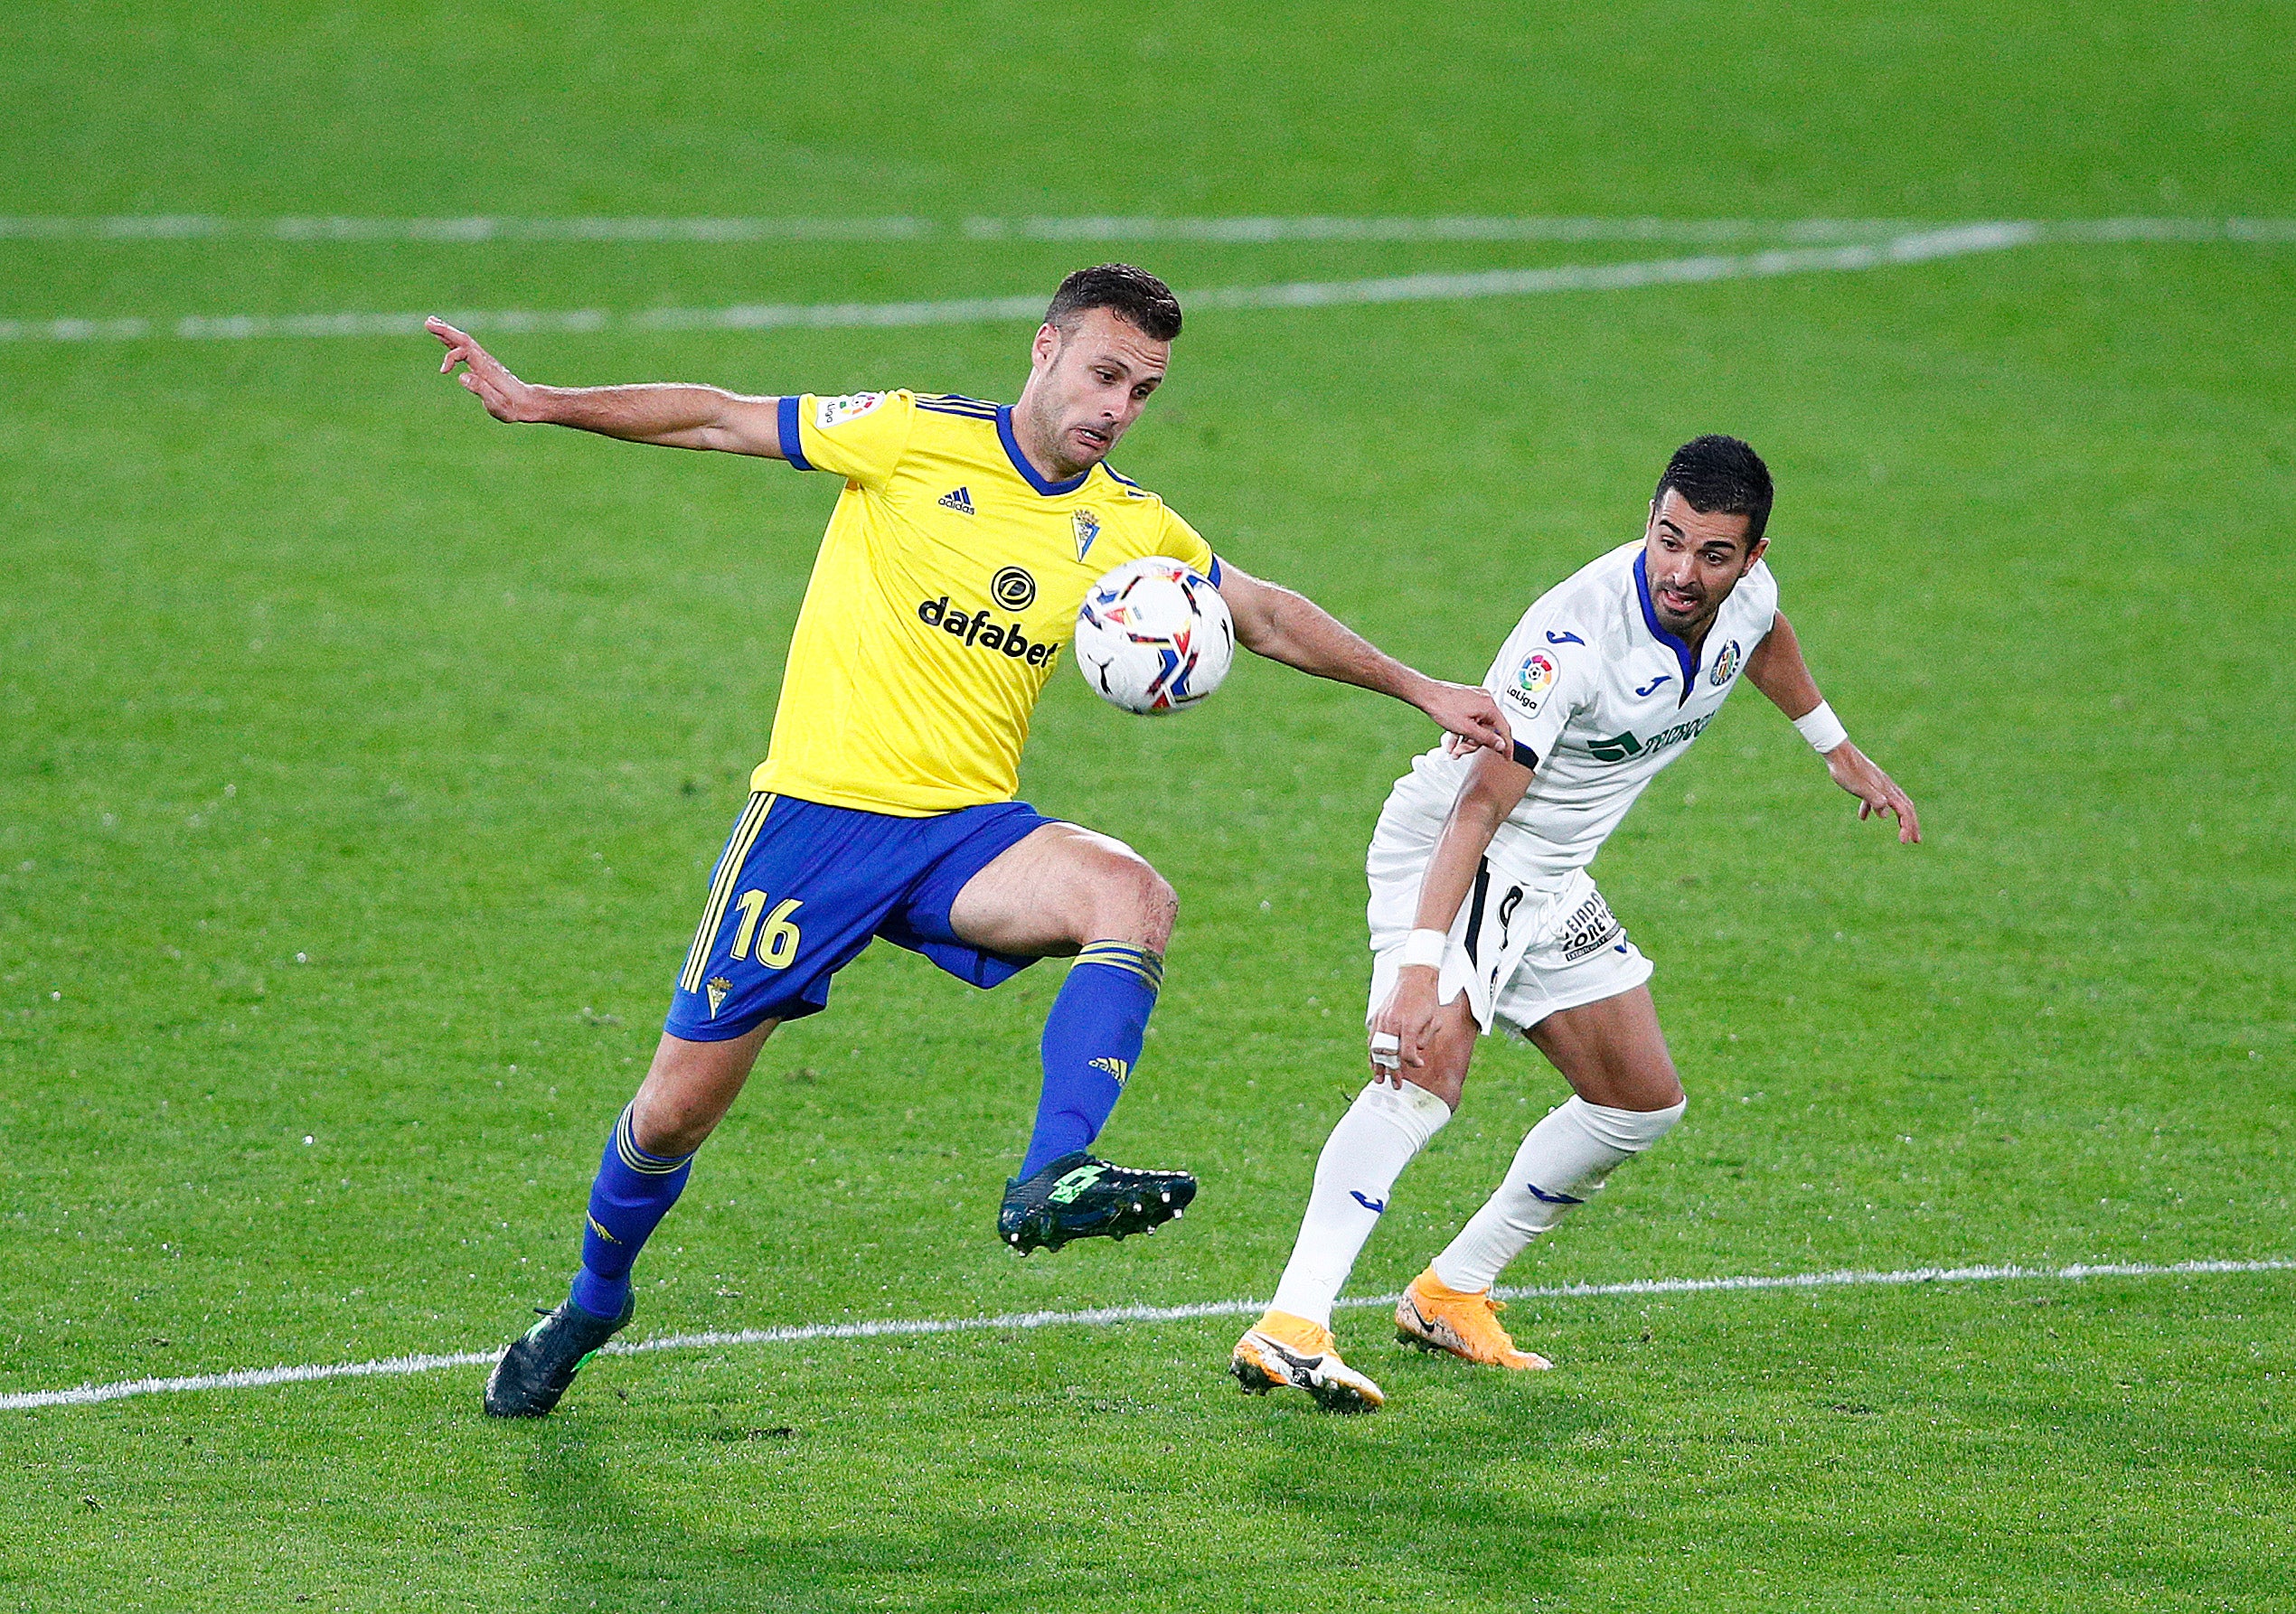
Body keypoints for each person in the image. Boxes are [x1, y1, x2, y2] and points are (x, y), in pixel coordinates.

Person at [426, 264, 1513, 1418]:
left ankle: (1055, 1167)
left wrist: (1416, 687)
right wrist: (542, 400)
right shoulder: (907, 437)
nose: (1117, 405)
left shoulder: (1129, 527)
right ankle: (592, 1303)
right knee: (673, 1113)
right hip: (813, 825)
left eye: (1142, 389)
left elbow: (1258, 610)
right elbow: (718, 414)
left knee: (1133, 898)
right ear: (1043, 350)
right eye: (1103, 373)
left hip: (962, 836)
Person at [1229, 435, 1920, 1412]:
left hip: (1550, 874)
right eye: (1666, 539)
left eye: (1711, 554)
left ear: (1750, 558)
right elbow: (1475, 807)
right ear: (1647, 518)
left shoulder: (1747, 600)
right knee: (1421, 1070)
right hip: (1463, 848)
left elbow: (1763, 641)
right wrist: (1421, 967)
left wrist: (1835, 750)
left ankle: (1447, 1292)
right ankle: (1292, 1324)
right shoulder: (1573, 640)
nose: (1681, 572)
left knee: (1637, 1100)